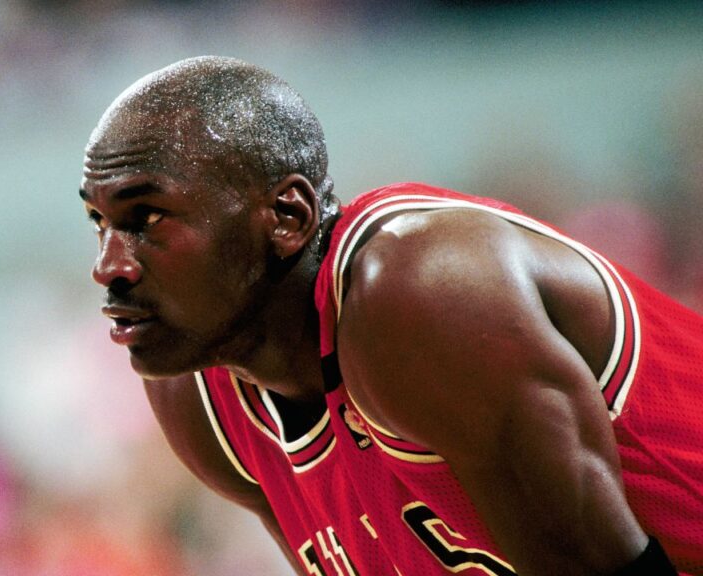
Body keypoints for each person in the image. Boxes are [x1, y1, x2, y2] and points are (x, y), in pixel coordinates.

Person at [78, 56, 703, 576]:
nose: (109, 265)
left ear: (287, 218)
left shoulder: (419, 295)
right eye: (99, 222)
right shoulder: (198, 398)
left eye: (147, 218)